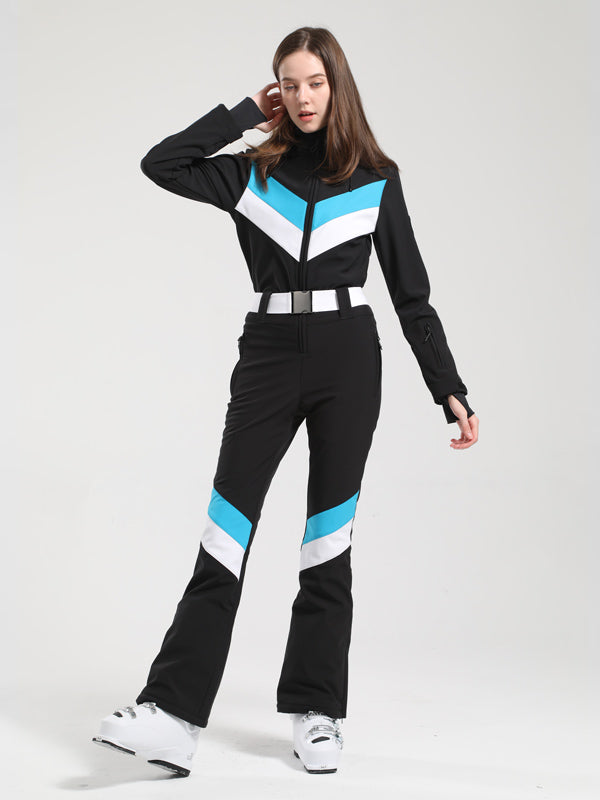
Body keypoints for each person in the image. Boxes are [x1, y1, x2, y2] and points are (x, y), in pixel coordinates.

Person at [92, 25, 479, 777]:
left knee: (327, 538)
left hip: (349, 357)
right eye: (289, 83)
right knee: (225, 530)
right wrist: (244, 114)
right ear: (278, 89)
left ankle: (317, 712)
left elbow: (412, 296)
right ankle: (172, 716)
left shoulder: (376, 178)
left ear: (338, 86)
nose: (303, 97)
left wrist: (448, 389)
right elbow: (161, 163)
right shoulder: (251, 172)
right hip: (267, 356)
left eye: (315, 83)